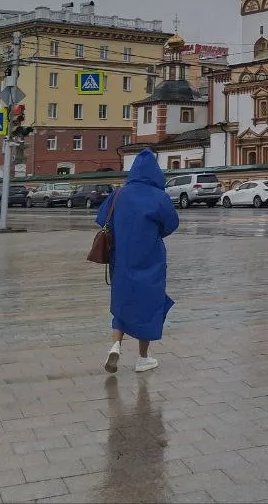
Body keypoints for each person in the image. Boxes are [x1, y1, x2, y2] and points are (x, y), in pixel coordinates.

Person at [96, 148, 179, 373]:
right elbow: (172, 224)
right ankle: (143, 358)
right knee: (149, 305)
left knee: (123, 303)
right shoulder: (159, 197)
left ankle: (115, 345)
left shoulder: (119, 194)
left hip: (121, 259)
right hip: (151, 259)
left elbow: (102, 219)